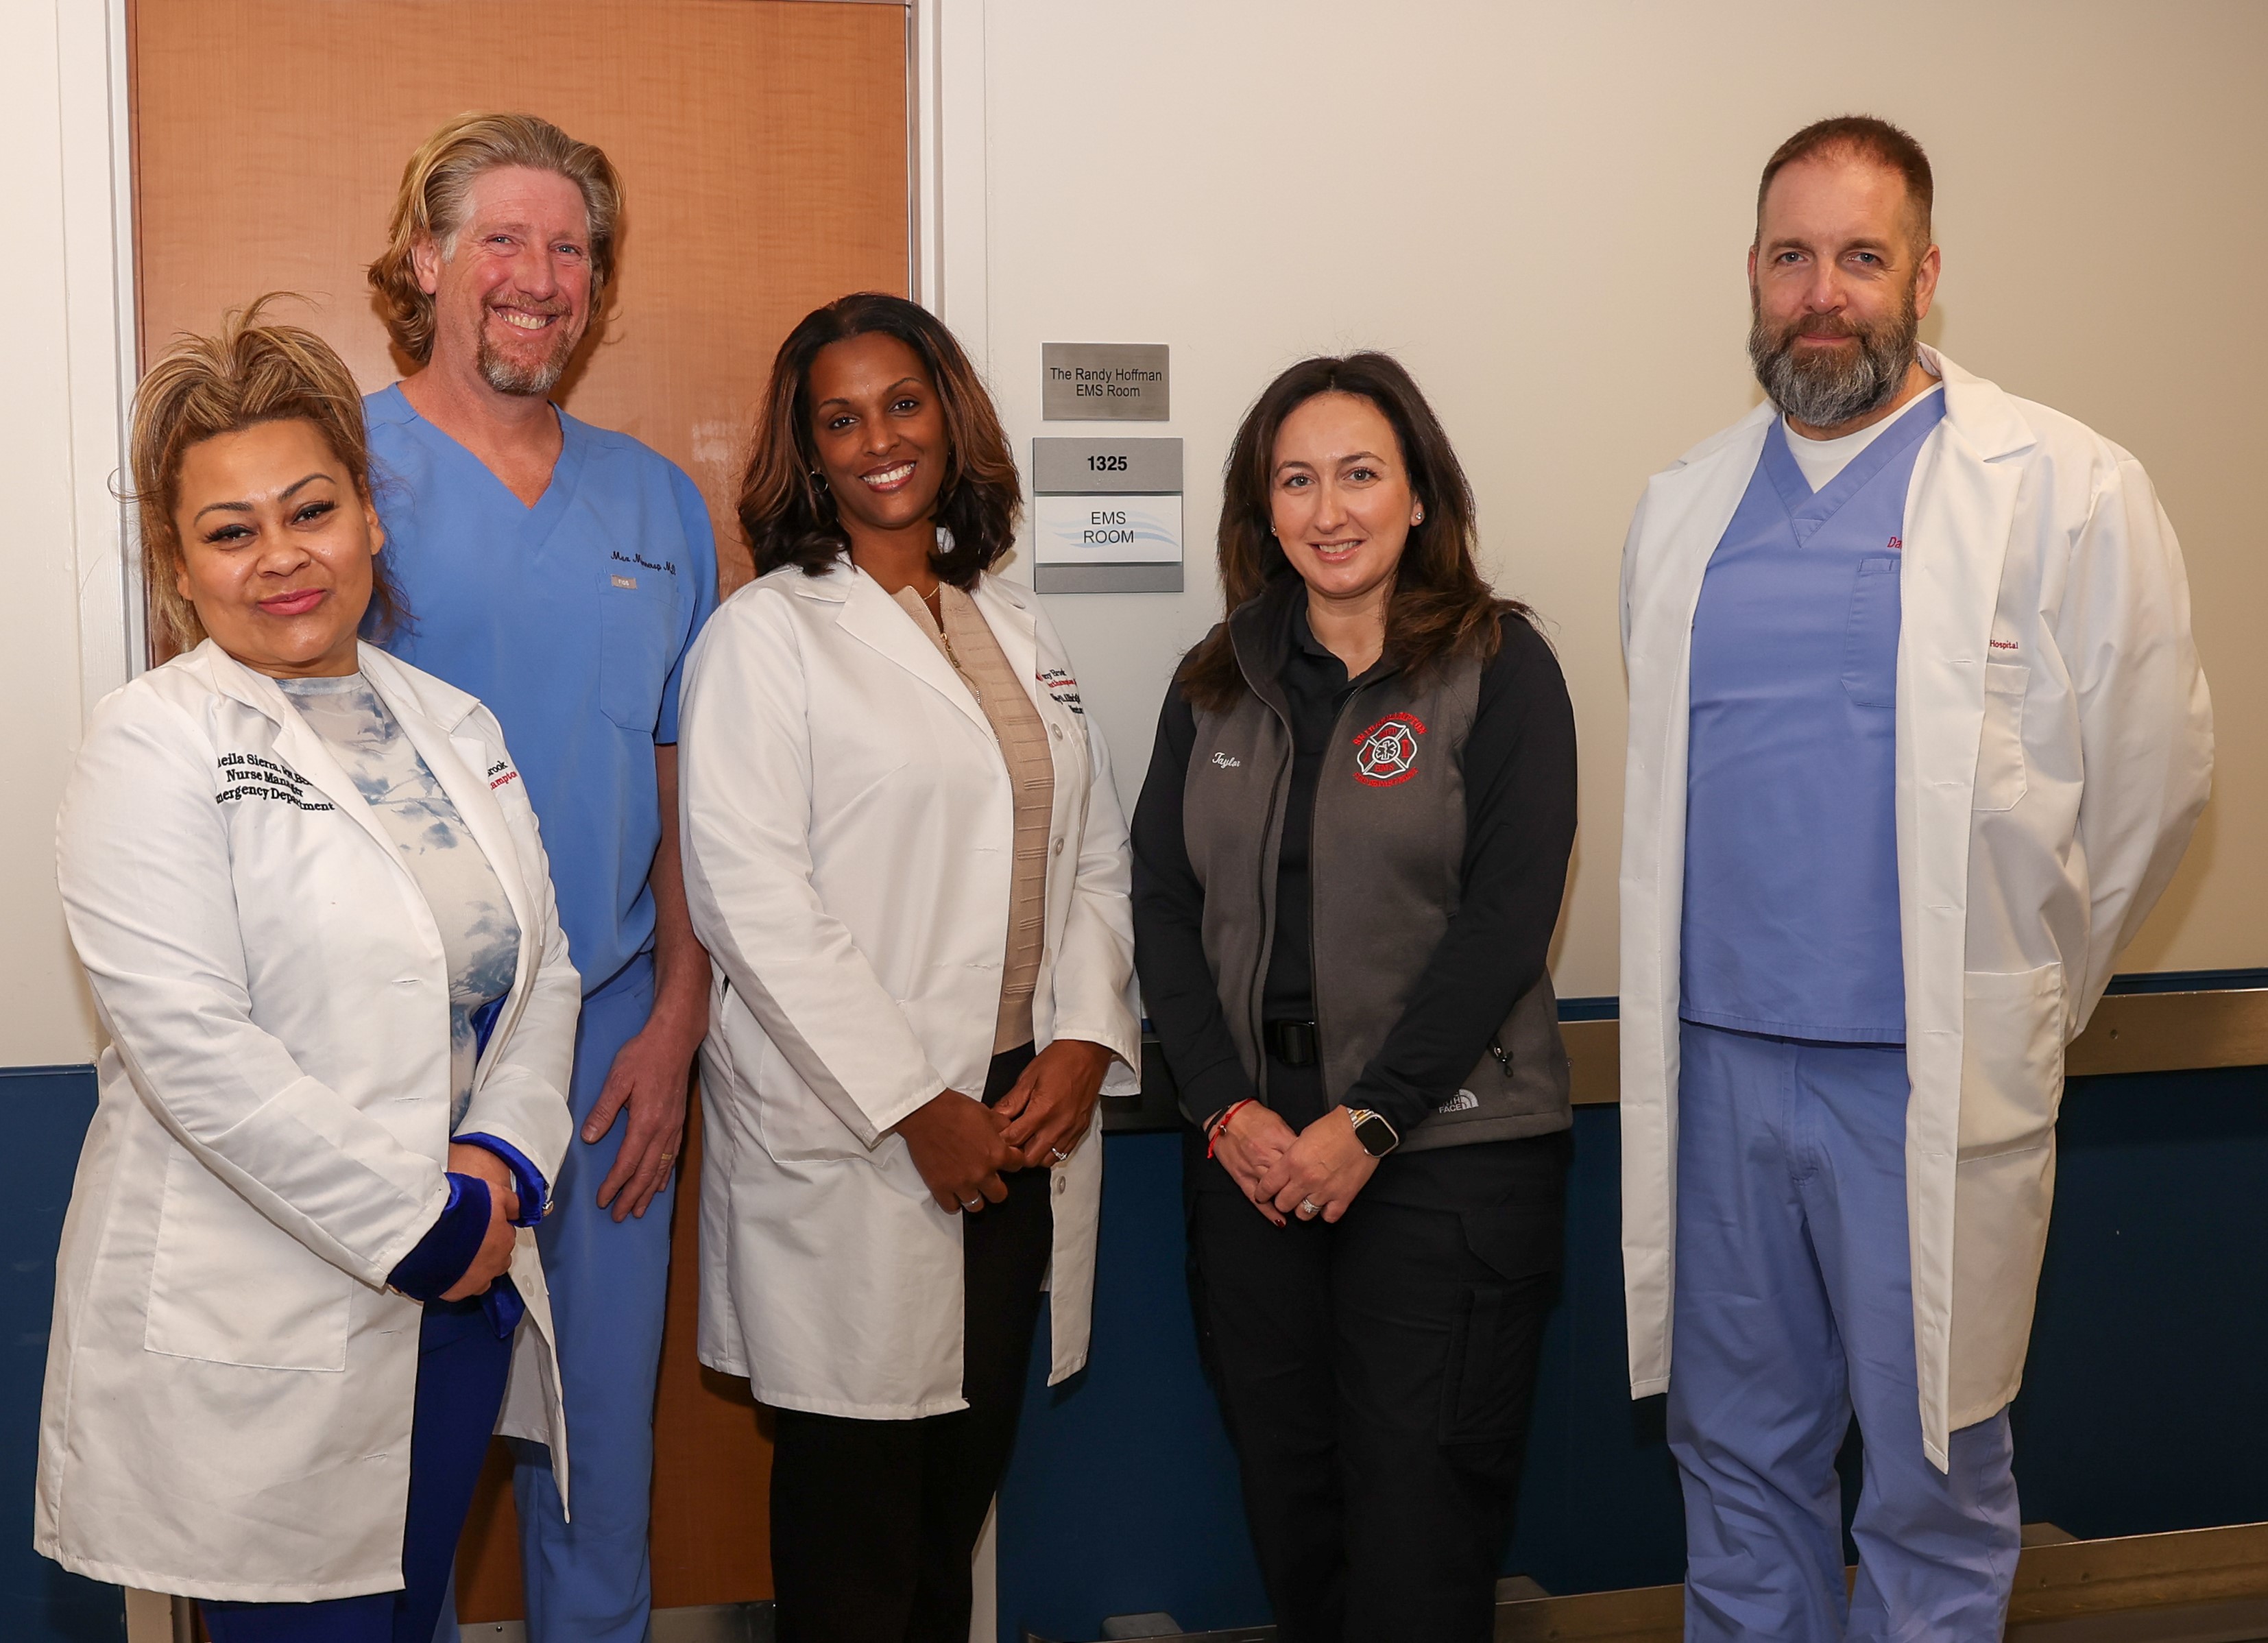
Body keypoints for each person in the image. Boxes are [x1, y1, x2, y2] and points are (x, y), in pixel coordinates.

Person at [1617, 116, 2213, 1642]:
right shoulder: (1685, 505)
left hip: (1926, 1084)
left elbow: (2150, 786)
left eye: (1861, 257)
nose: (1825, 291)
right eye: (1792, 256)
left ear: (1925, 274)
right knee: (1735, 1462)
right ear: (1751, 276)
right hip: (1721, 1068)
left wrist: (2017, 998)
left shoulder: (2060, 486)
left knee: (1936, 1477)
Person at [35, 306, 578, 1642]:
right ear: (180, 562)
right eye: (231, 530)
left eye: (311, 509)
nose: (281, 557)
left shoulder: (452, 725)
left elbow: (542, 968)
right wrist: (427, 1222)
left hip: (456, 1292)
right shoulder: (149, 744)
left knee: (410, 1621)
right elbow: (194, 1055)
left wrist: (501, 1161)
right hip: (274, 1308)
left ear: (369, 518)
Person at [677, 291, 1139, 1643]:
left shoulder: (1018, 630)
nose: (879, 438)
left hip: (1013, 1118)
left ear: (949, 416)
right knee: (853, 1538)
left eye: (903, 403)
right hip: (866, 1137)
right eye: (841, 418)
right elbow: (753, 902)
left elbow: (1091, 856)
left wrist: (1083, 1037)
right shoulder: (763, 640)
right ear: (807, 453)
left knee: (952, 1516)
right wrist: (909, 1103)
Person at [1131, 352, 1579, 1642]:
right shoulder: (1215, 679)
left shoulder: (1501, 666)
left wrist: (1370, 1122)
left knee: (1420, 1535)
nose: (1331, 511)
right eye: (1298, 480)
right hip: (1255, 1161)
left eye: (1361, 475)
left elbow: (1504, 925)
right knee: (1295, 1516)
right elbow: (1160, 901)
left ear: (1420, 495)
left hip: (1446, 1166)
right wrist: (1223, 1112)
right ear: (1263, 510)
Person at [361, 112, 717, 1642]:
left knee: (599, 1477)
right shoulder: (343, 476)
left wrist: (677, 1025)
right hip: (399, 1056)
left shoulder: (656, 505)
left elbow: (684, 786)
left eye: (571, 249)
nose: (540, 276)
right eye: (502, 239)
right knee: (398, 1480)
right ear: (426, 260)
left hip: (612, 1057)